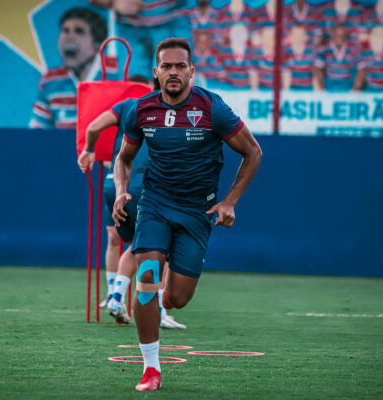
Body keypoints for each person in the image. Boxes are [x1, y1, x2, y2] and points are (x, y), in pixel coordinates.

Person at [112, 38, 262, 391]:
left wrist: (230, 202)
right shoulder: (141, 110)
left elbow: (253, 152)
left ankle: (167, 301)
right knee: (147, 276)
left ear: (192, 71)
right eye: (167, 66)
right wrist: (122, 191)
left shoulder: (213, 109)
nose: (174, 72)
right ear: (156, 72)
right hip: (155, 206)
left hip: (196, 213)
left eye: (181, 66)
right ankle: (151, 369)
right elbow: (123, 158)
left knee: (178, 297)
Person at [77, 76, 186, 330]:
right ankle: (158, 309)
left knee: (132, 245)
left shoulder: (127, 105)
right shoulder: (168, 113)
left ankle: (115, 295)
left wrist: (89, 150)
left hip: (113, 185)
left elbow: (93, 127)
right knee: (163, 247)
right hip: (145, 187)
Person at [29, 7, 120, 304]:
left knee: (116, 234)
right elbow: (37, 132)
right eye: (65, 30)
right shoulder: (51, 79)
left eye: (78, 31)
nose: (69, 37)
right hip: (70, 169)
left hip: (109, 166)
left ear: (97, 43)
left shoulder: (116, 75)